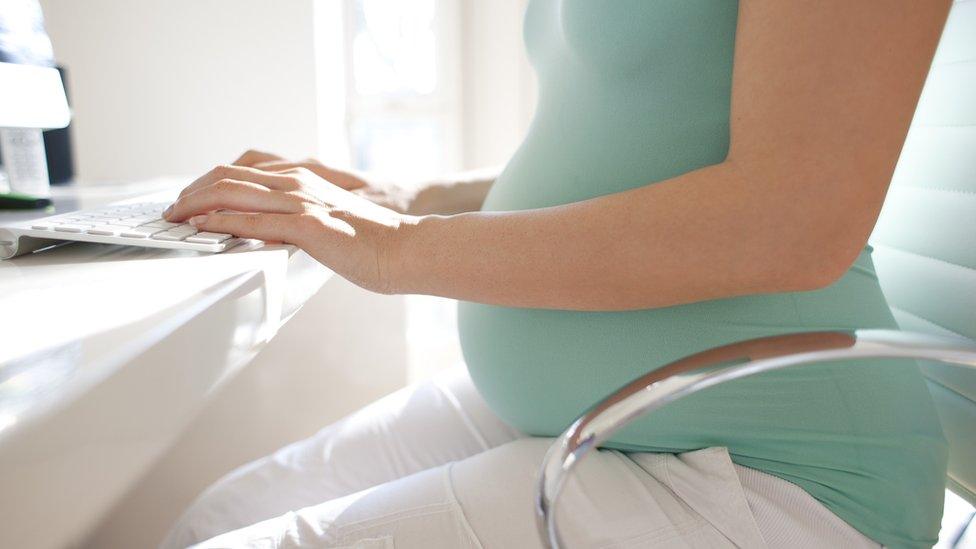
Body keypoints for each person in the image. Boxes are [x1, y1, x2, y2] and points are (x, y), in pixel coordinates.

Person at [160, 1, 952, 547]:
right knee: (213, 519)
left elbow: (793, 221)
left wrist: (399, 244)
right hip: (594, 409)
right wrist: (403, 196)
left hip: (772, 472)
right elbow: (632, 138)